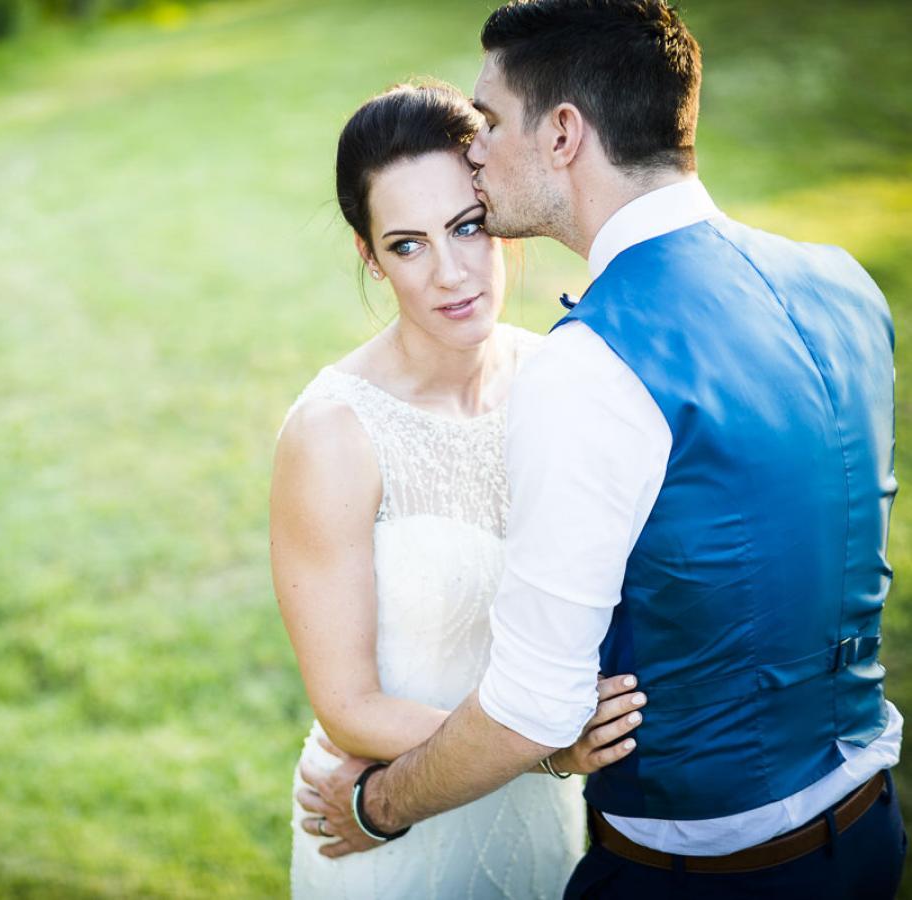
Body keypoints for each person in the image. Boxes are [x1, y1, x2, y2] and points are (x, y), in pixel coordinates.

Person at [295, 2, 906, 898]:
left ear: (564, 134)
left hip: (696, 873)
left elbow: (534, 708)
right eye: (407, 244)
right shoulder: (841, 281)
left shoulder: (589, 367)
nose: (480, 152)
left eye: (491, 123)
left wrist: (375, 809)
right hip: (870, 834)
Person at [270, 80, 647, 899]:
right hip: (389, 830)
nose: (451, 273)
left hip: (545, 827)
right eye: (407, 245)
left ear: (499, 216)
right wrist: (545, 745)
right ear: (370, 256)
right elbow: (350, 705)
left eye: (466, 228)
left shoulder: (562, 378)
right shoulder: (334, 432)